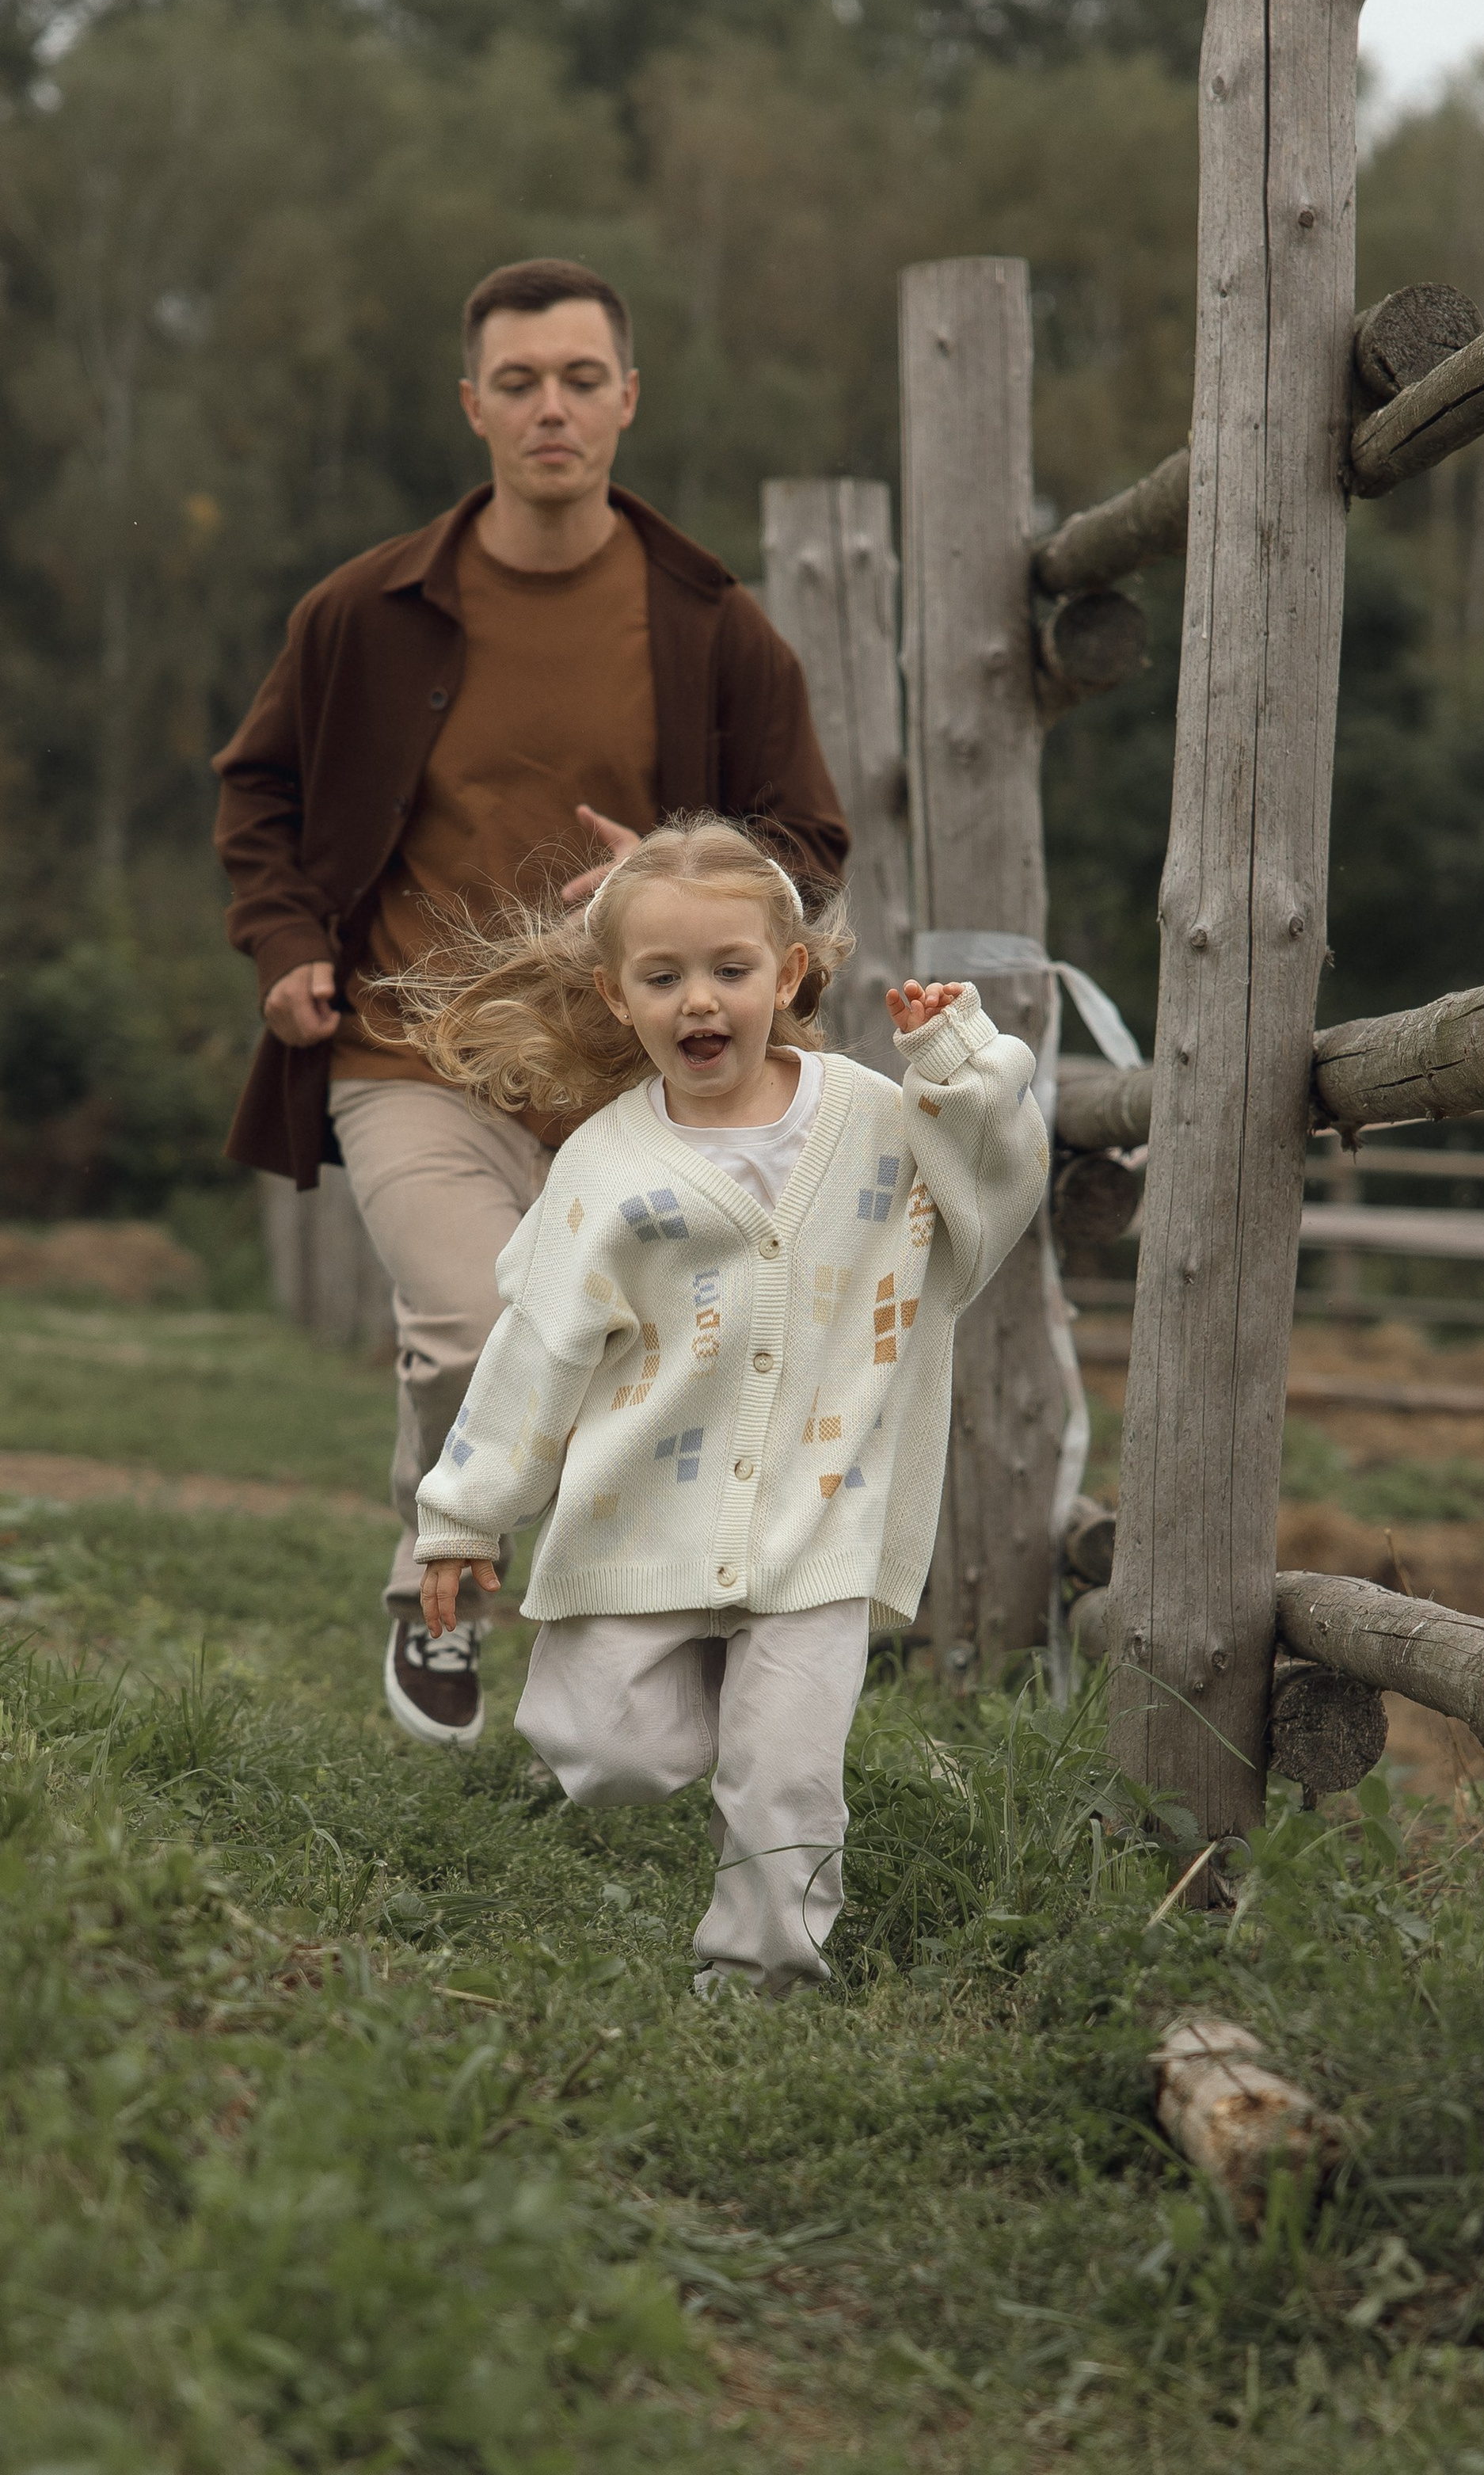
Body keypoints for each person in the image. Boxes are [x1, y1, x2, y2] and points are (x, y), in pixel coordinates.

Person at [212, 260, 849, 1751]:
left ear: (628, 399)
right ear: (473, 408)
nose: (550, 407)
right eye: (519, 382)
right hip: (407, 1053)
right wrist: (286, 937)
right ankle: (451, 1591)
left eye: (579, 378)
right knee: (476, 1328)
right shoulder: (363, 611)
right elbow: (262, 789)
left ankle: (495, 1600)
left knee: (614, 1358)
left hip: (625, 1085)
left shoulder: (712, 624)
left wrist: (700, 872)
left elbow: (805, 842)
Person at [394, 814, 1049, 1995]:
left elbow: (996, 1195)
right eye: (664, 977)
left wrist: (958, 1063)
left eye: (730, 970)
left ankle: (763, 1980)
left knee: (786, 1775)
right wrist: (464, 1511)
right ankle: (704, 1688)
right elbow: (536, 1345)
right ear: (617, 997)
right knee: (601, 1748)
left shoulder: (878, 1119)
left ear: (787, 974)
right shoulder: (605, 1162)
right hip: (645, 1511)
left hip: (821, 1515)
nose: (701, 1001)